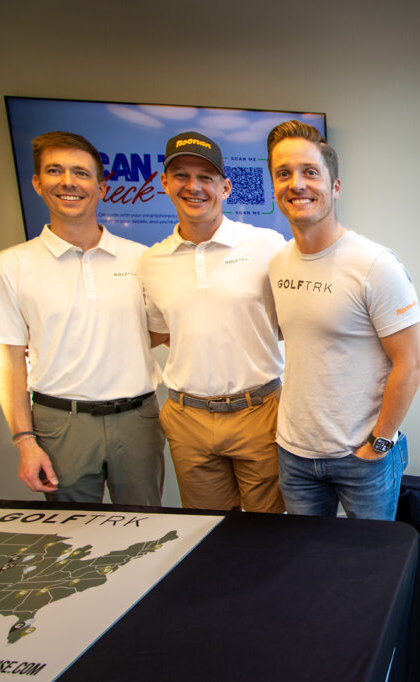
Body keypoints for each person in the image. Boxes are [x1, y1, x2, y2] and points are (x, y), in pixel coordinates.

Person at [0, 131, 164, 504]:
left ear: (101, 187)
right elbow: (8, 360)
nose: (68, 182)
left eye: (80, 173)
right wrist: (24, 440)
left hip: (138, 419)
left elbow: (157, 331)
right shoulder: (8, 266)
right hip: (60, 424)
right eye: (54, 171)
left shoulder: (142, 259)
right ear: (37, 183)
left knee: (147, 526)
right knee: (71, 532)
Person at [266, 120, 420, 520]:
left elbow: (410, 364)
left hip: (362, 458)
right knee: (306, 556)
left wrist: (380, 443)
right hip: (295, 456)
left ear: (335, 187)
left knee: (370, 558)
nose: (296, 184)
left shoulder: (375, 265)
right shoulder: (277, 263)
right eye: (283, 173)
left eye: (310, 172)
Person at [138, 131, 286, 513]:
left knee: (270, 530)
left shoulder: (267, 246)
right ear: (164, 183)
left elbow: (293, 322)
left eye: (206, 177)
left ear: (225, 187)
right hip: (188, 417)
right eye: (182, 176)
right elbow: (162, 332)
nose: (194, 187)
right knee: (209, 530)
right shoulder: (151, 262)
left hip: (259, 410)